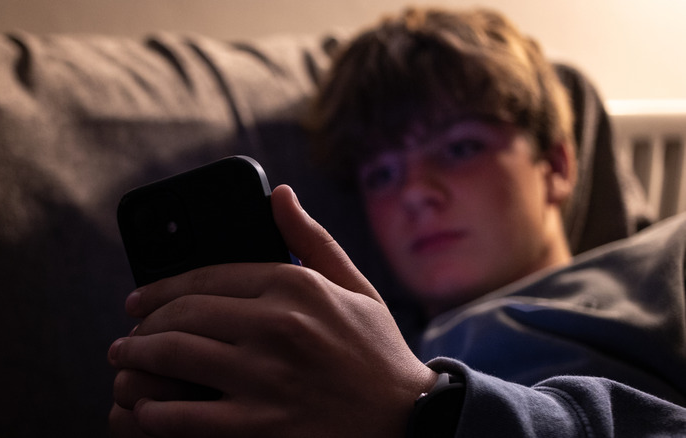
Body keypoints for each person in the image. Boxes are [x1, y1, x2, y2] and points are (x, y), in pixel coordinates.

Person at [107, 7, 686, 437]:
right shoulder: (329, 351)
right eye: (381, 175)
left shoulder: (669, 263)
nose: (415, 193)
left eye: (458, 148)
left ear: (556, 165)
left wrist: (423, 407)